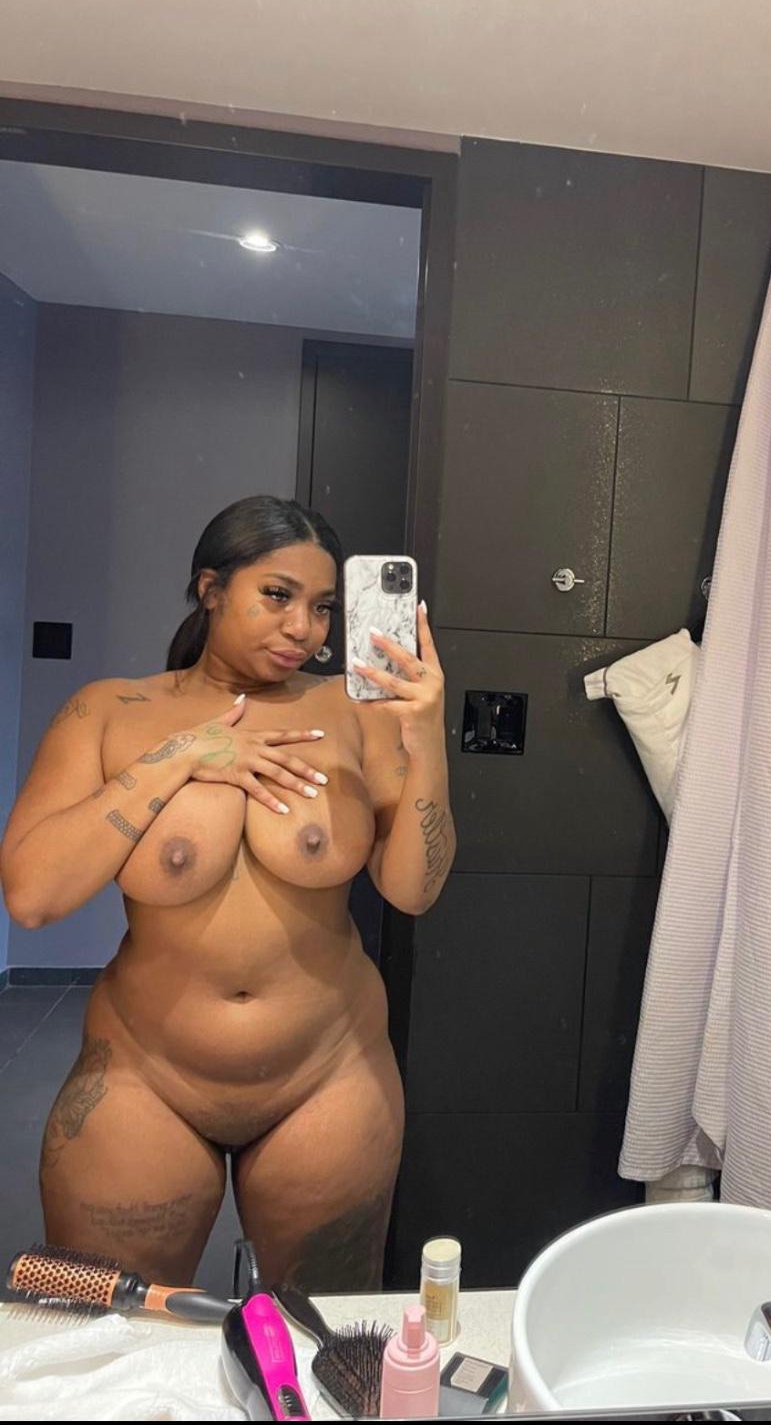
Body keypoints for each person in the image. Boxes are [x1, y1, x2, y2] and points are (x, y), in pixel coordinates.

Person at [0, 496, 454, 1291]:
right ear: (210, 588)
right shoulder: (110, 710)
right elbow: (32, 896)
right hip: (144, 1075)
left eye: (322, 607)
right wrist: (177, 757)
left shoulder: (358, 711)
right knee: (110, 1332)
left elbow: (414, 890)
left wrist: (427, 738)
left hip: (329, 1072)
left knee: (321, 1331)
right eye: (276, 595)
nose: (303, 628)